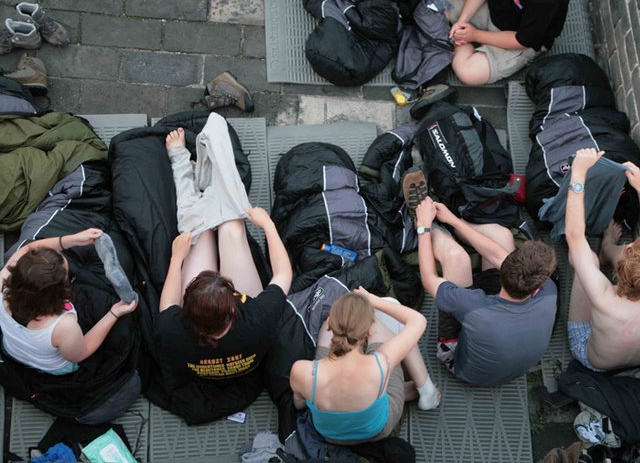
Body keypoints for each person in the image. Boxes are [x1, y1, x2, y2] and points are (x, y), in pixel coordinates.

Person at [154, 128, 293, 381]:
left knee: (197, 232)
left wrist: (176, 259)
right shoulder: (258, 319)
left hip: (204, 349)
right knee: (231, 226)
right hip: (247, 348)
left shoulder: (172, 331)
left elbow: (167, 306)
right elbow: (283, 274)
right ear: (233, 307)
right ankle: (214, 177)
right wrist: (268, 225)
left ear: (186, 309)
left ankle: (183, 164)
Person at [416, 196, 557, 387]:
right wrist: (453, 220)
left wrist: (423, 227)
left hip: (466, 368)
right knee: (502, 236)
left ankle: (429, 223)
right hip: (511, 361)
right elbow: (498, 255)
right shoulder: (549, 291)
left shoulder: (471, 305)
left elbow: (428, 278)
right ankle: (449, 222)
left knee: (456, 257)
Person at [565, 148, 640, 371]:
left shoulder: (604, 298)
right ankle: (608, 248)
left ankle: (602, 253)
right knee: (594, 256)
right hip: (638, 359)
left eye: (628, 248)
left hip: (593, 359)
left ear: (618, 276)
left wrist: (578, 173)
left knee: (584, 259)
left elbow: (574, 236)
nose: (628, 245)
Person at [289, 287, 440, 444]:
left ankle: (394, 393)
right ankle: (425, 393)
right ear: (369, 331)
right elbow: (418, 320)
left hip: (331, 435)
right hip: (376, 431)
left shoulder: (302, 371)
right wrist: (373, 300)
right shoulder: (381, 363)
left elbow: (299, 404)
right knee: (391, 317)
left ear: (331, 325)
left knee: (324, 342)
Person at [0, 229, 137, 375]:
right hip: (55, 366)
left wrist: (72, 240)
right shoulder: (63, 326)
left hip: (12, 349)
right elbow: (81, 353)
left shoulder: (2, 282)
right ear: (57, 292)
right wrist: (114, 313)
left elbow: (28, 248)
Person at [445, 0, 571, 85]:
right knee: (439, 2)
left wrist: (474, 35)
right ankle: (461, 36)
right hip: (493, 9)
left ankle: (460, 41)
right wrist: (462, 20)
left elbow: (523, 40)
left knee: (468, 72)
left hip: (519, 39)